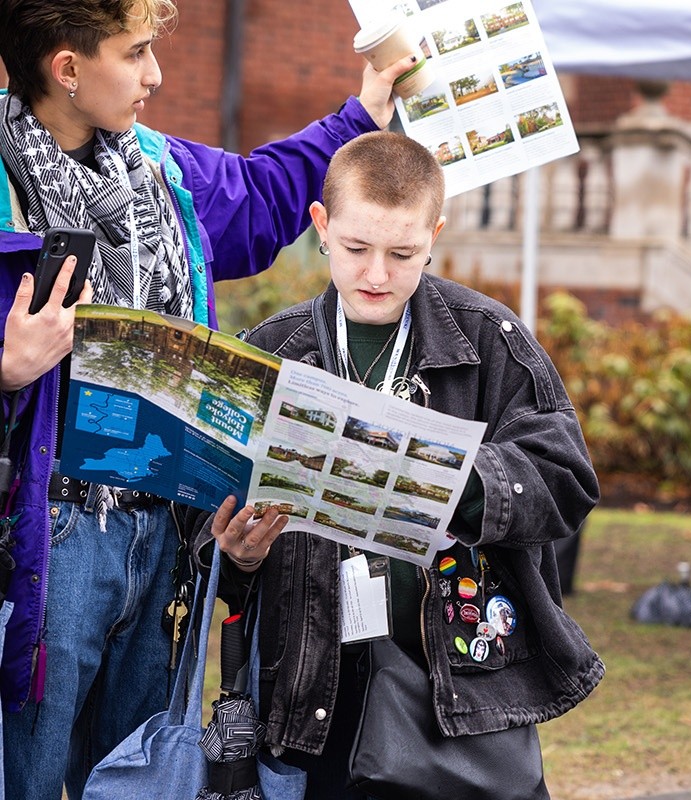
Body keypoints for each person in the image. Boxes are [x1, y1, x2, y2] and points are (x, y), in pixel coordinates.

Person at [0, 1, 415, 797]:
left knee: (141, 778)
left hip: (164, 538)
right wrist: (6, 369)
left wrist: (360, 115)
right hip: (49, 548)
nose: (155, 75)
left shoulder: (160, 168)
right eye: (137, 52)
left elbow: (261, 197)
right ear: (68, 69)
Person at [192, 131, 604, 799]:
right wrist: (233, 550)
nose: (376, 274)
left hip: (457, 685)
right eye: (356, 249)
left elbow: (565, 478)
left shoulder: (487, 337)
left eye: (402, 253)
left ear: (435, 235)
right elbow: (199, 521)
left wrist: (456, 482)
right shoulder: (270, 352)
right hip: (309, 687)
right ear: (320, 227)